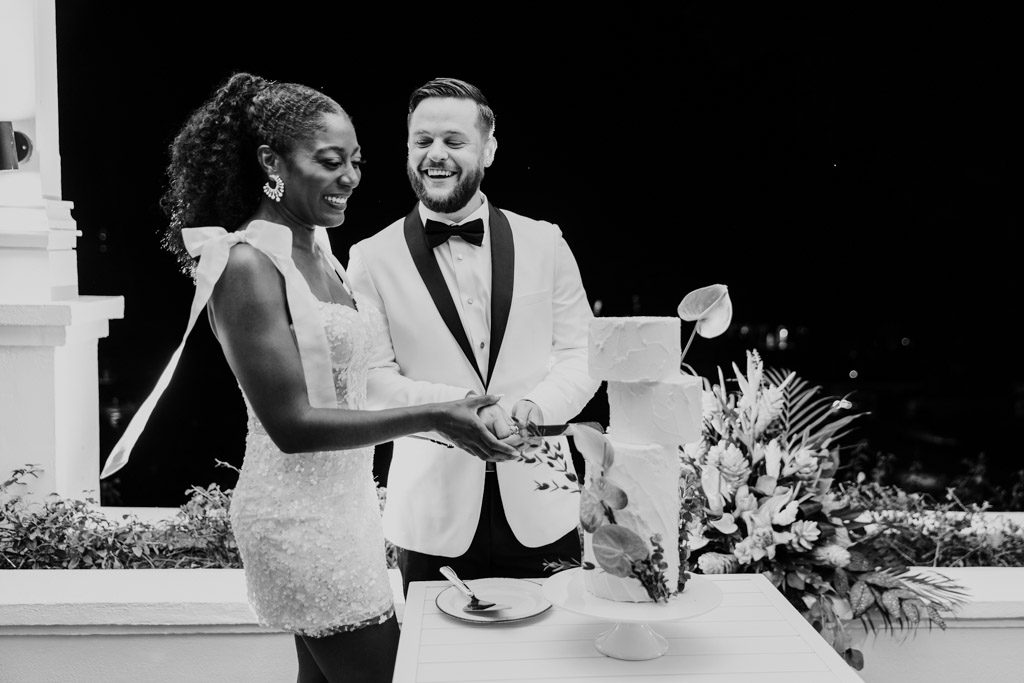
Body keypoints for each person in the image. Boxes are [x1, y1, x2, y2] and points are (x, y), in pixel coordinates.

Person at [98, 72, 518, 683]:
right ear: (272, 162)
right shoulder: (245, 263)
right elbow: (292, 426)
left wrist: (450, 402)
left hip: (345, 508)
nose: (350, 177)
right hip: (298, 521)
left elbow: (354, 382)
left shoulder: (319, 249)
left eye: (355, 160)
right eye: (329, 161)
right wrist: (434, 418)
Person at [346, 77, 601, 597]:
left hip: (543, 504)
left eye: (453, 141)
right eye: (422, 142)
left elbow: (581, 355)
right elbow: (370, 380)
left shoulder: (545, 241)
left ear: (489, 149)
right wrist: (460, 407)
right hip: (431, 518)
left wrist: (534, 406)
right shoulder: (370, 257)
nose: (435, 155)